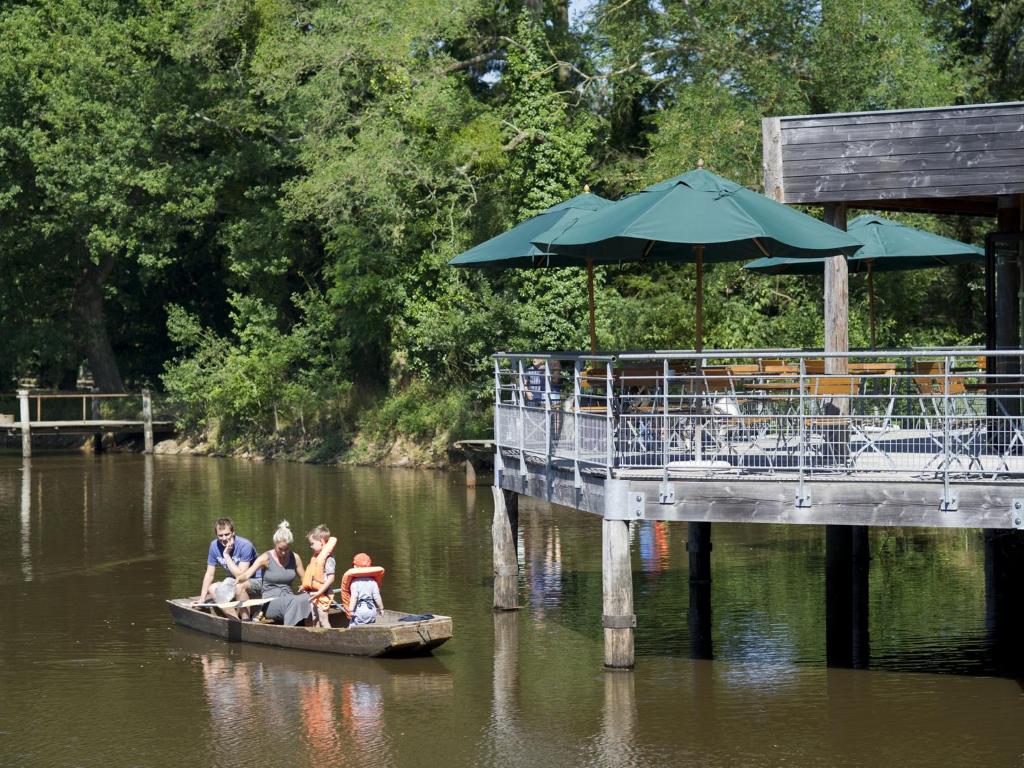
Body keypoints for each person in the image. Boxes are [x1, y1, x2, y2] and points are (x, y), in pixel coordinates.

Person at [236, 520, 309, 626]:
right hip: (271, 601)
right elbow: (247, 574)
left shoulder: (295, 558)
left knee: (307, 598)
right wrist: (238, 579)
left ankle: (301, 623)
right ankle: (289, 629)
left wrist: (315, 590)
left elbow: (305, 579)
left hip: (288, 597)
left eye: (287, 549)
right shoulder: (265, 558)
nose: (283, 553)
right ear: (275, 544)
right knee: (295, 602)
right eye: (280, 549)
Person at [198, 517, 258, 619]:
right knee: (212, 588)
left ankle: (246, 621)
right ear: (216, 535)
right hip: (235, 581)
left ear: (233, 532)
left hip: (253, 580)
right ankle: (234, 620)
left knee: (240, 586)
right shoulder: (214, 546)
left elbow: (241, 576)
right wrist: (202, 598)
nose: (224, 538)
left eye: (227, 534)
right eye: (220, 535)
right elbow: (209, 574)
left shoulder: (245, 545)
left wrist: (226, 555)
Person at [300, 524, 337, 628]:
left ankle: (331, 640)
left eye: (312, 544)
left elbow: (331, 578)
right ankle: (318, 641)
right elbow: (312, 576)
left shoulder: (328, 558)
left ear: (321, 542)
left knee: (323, 621)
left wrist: (320, 592)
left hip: (323, 594)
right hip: (314, 594)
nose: (310, 546)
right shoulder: (316, 557)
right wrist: (305, 586)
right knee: (315, 621)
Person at [343, 553, 385, 626]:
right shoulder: (373, 582)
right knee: (369, 627)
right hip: (371, 610)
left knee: (353, 626)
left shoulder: (355, 583)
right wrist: (381, 608)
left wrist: (351, 610)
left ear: (355, 567)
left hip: (360, 611)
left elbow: (354, 597)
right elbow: (377, 596)